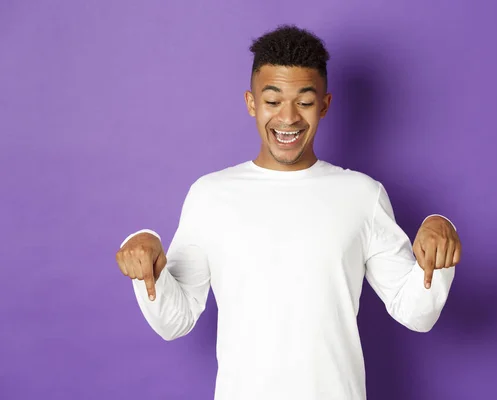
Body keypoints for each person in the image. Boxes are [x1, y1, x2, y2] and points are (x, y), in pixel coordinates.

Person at [115, 25, 461, 400]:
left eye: (305, 102)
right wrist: (144, 254)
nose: (288, 117)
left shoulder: (361, 195)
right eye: (273, 100)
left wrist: (437, 231)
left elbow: (416, 313)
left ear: (325, 105)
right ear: (251, 102)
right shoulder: (210, 196)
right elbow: (174, 321)